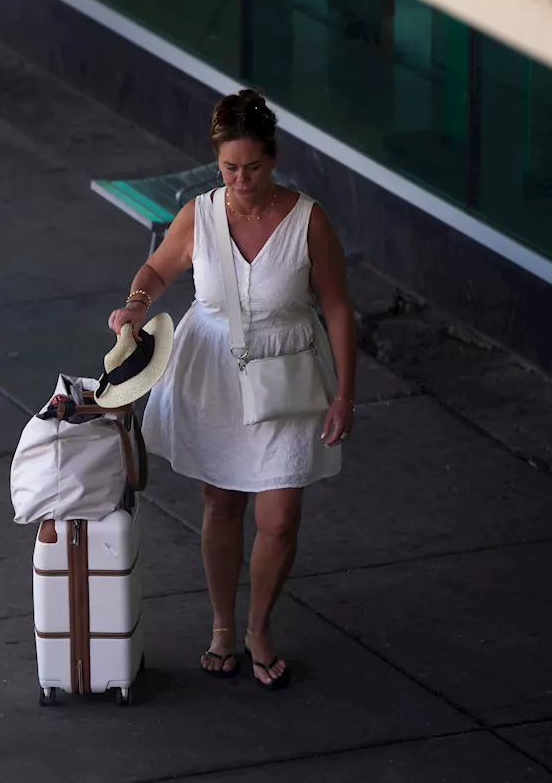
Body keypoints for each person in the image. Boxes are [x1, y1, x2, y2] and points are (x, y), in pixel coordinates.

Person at [106, 89, 357, 690]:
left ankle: (258, 626)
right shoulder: (200, 213)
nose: (241, 181)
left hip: (287, 371)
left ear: (274, 159)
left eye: (253, 168)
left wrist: (346, 392)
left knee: (281, 516)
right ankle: (223, 624)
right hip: (214, 368)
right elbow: (160, 267)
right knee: (222, 503)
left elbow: (339, 307)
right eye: (229, 168)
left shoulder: (308, 219)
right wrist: (135, 306)